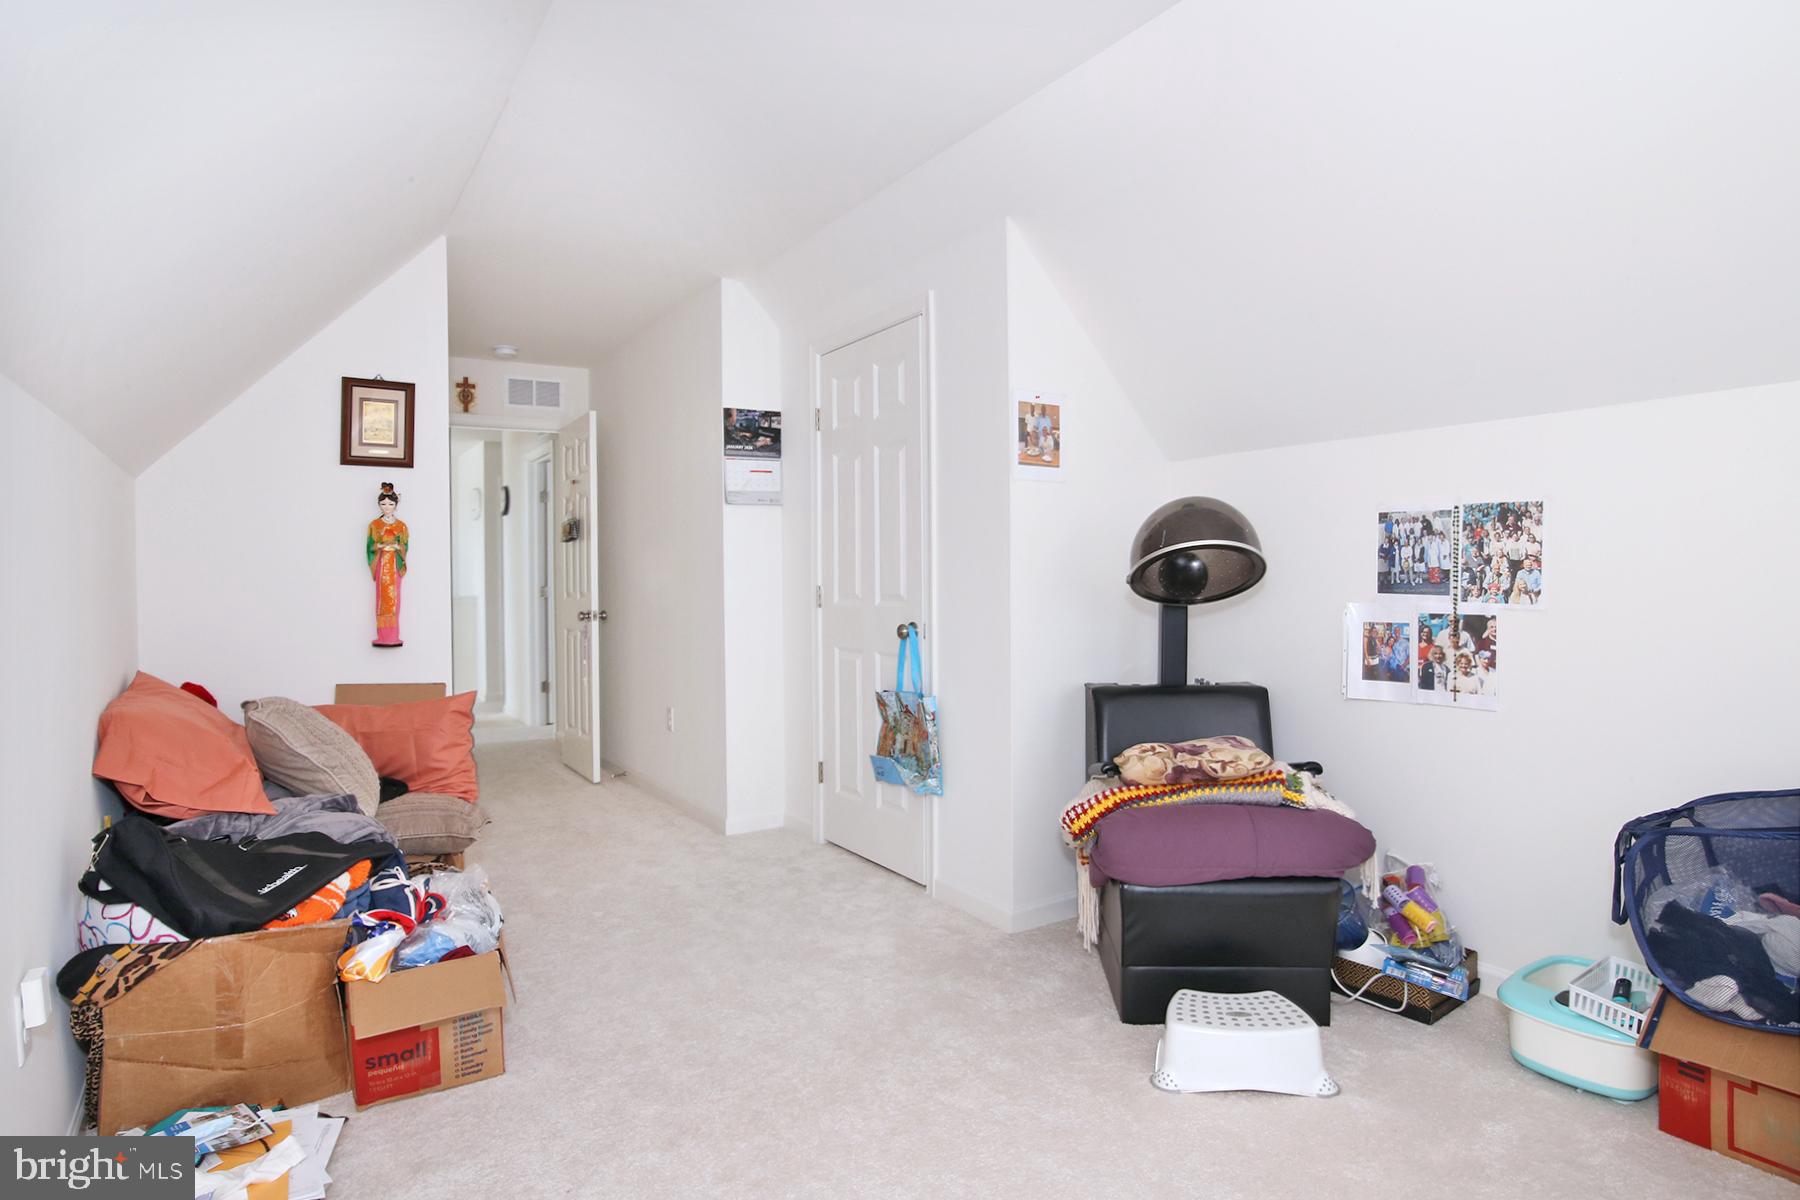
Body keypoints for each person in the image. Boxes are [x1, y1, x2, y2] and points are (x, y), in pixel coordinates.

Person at [368, 482, 408, 647]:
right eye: (383, 504)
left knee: (395, 598)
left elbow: (404, 546)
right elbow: (370, 546)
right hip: (382, 563)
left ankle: (393, 635)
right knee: (382, 599)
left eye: (390, 504)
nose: (387, 507)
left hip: (394, 565)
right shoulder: (374, 525)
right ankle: (382, 635)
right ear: (379, 505)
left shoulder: (401, 526)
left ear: (396, 505)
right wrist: (380, 545)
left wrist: (398, 547)